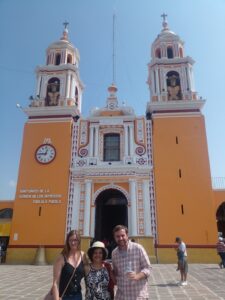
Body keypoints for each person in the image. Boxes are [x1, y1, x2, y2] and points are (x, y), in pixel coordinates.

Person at [111, 225, 151, 300]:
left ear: (127, 235)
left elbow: (148, 268)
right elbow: (116, 273)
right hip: (121, 296)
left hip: (138, 295)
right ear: (114, 237)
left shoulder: (138, 248)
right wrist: (111, 272)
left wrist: (137, 276)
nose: (120, 238)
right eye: (117, 236)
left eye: (122, 235)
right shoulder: (114, 253)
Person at [51, 229, 88, 300]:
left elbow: (87, 276)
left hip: (78, 296)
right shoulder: (61, 258)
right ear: (67, 242)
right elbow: (55, 283)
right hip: (64, 296)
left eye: (75, 240)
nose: (73, 243)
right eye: (70, 240)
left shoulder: (83, 255)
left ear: (79, 241)